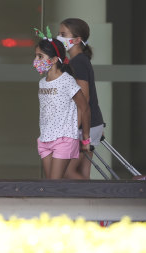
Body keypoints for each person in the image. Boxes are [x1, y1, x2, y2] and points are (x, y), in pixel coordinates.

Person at [33, 27, 91, 179]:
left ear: (53, 60)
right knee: (49, 185)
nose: (36, 61)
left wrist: (85, 139)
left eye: (40, 56)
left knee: (54, 184)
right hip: (45, 138)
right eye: (36, 56)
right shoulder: (42, 82)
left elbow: (84, 108)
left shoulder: (67, 81)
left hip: (64, 139)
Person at [57, 18, 105, 179]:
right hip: (92, 124)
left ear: (77, 40)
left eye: (63, 34)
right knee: (83, 174)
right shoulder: (81, 61)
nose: (59, 37)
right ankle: (92, 202)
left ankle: (97, 199)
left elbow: (83, 100)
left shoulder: (77, 63)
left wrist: (71, 130)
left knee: (67, 171)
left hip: (84, 127)